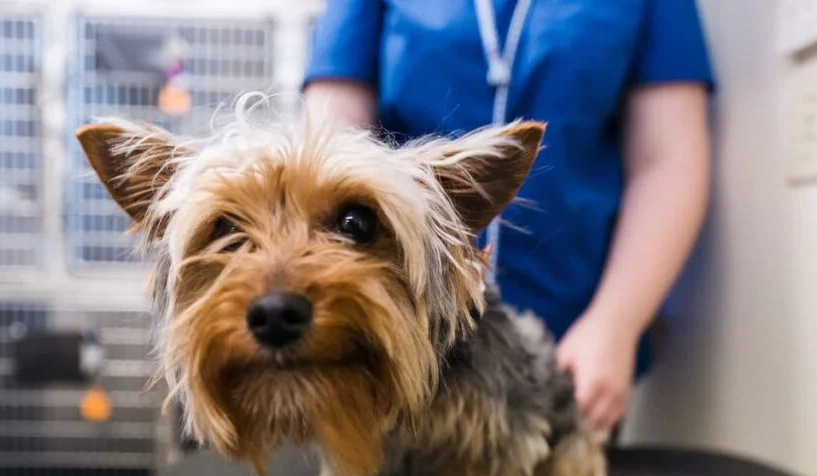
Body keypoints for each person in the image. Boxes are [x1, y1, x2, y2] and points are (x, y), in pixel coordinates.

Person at [302, 0, 714, 436]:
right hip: (404, 335)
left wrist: (615, 324)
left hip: (570, 346)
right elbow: (331, 157)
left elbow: (665, 160)